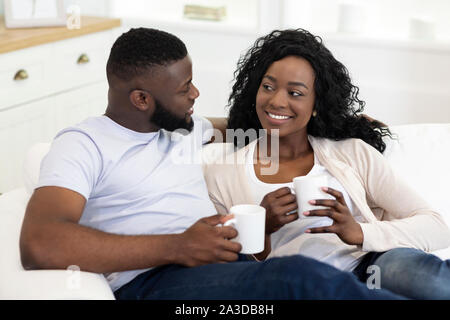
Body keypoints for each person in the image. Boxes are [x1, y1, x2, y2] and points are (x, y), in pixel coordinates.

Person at [18, 27, 404, 300]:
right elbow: (40, 243)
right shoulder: (83, 144)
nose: (196, 94)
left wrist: (342, 124)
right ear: (141, 99)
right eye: (184, 88)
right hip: (155, 284)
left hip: (228, 270)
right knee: (298, 278)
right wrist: (177, 246)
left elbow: (243, 125)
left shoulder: (179, 130)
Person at [203, 28, 450, 299]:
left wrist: (359, 232)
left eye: (295, 93)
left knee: (428, 281)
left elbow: (437, 226)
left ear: (316, 103)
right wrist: (262, 230)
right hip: (300, 285)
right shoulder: (222, 174)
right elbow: (230, 272)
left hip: (371, 266)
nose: (276, 101)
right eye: (268, 87)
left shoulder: (352, 152)